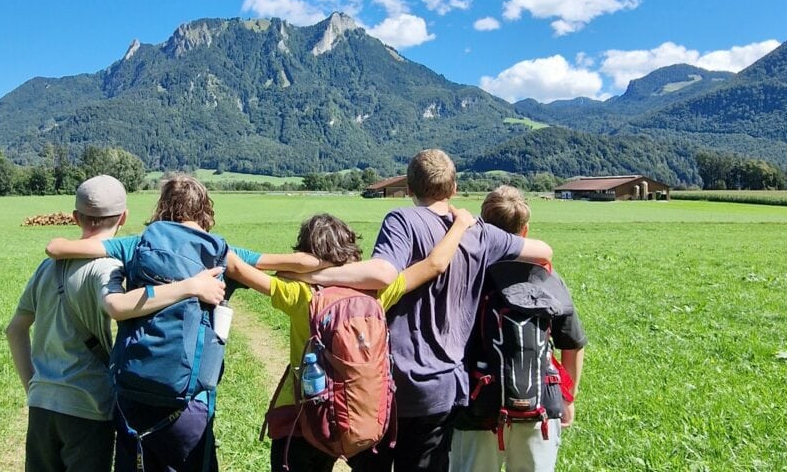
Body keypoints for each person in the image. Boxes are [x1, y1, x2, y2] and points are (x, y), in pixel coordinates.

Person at [294, 149, 553, 472]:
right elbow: (543, 250)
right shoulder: (480, 233)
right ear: (454, 188)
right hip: (445, 387)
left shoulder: (402, 221)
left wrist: (317, 275)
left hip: (389, 382)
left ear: (409, 188)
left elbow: (381, 273)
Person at [44, 175, 325, 472]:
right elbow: (297, 262)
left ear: (163, 207)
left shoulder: (137, 245)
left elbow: (56, 247)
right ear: (204, 209)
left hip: (132, 395)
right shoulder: (220, 252)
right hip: (189, 403)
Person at [226, 208, 477, 471]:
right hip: (360, 412)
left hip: (303, 414)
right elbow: (433, 264)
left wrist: (294, 266)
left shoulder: (300, 293)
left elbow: (235, 265)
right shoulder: (376, 293)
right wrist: (460, 224)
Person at [6, 175, 226, 472]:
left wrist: (33, 385)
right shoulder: (107, 267)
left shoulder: (47, 267)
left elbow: (15, 329)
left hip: (41, 403)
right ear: (123, 217)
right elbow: (117, 306)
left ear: (75, 217)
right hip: (89, 405)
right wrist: (190, 287)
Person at [450, 185, 587, 472]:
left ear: (483, 226)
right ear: (525, 231)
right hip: (540, 404)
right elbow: (572, 343)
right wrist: (567, 397)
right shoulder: (546, 277)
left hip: (477, 406)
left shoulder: (468, 274)